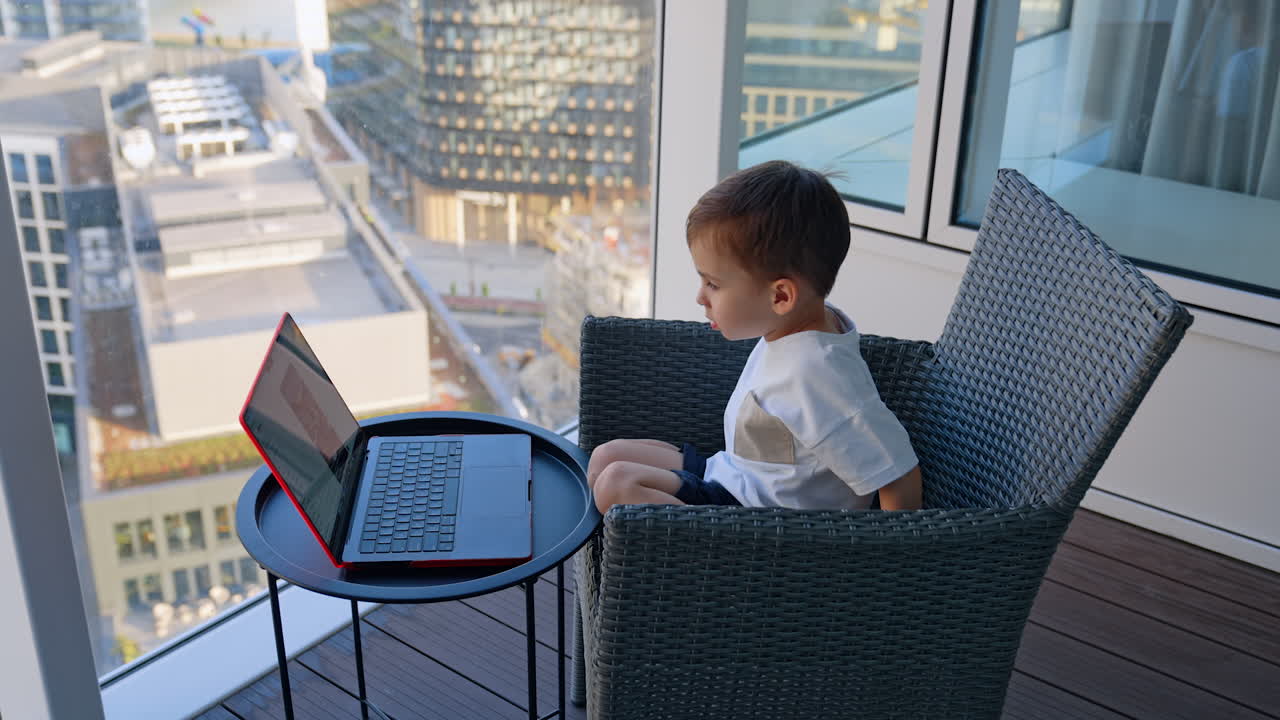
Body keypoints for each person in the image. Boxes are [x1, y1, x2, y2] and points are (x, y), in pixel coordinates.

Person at [588, 160, 922, 514]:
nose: (700, 297)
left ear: (780, 297)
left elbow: (899, 475)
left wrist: (885, 555)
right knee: (605, 457)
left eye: (713, 284)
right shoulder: (800, 324)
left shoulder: (819, 375)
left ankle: (658, 556)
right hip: (736, 473)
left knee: (615, 484)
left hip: (752, 514)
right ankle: (627, 542)